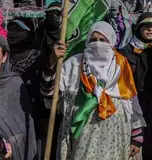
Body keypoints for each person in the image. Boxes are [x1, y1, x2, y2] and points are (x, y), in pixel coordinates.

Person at [49, 22, 145, 160]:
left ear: (111, 41)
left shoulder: (120, 65)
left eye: (102, 40)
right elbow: (50, 93)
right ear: (87, 41)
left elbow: (130, 101)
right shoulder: (74, 64)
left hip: (114, 137)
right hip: (81, 138)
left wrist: (136, 136)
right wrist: (52, 61)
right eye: (93, 40)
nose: (98, 44)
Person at [119, 13, 152, 160]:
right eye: (146, 26)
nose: (150, 30)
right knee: (132, 144)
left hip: (150, 103)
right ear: (138, 28)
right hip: (130, 104)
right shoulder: (125, 52)